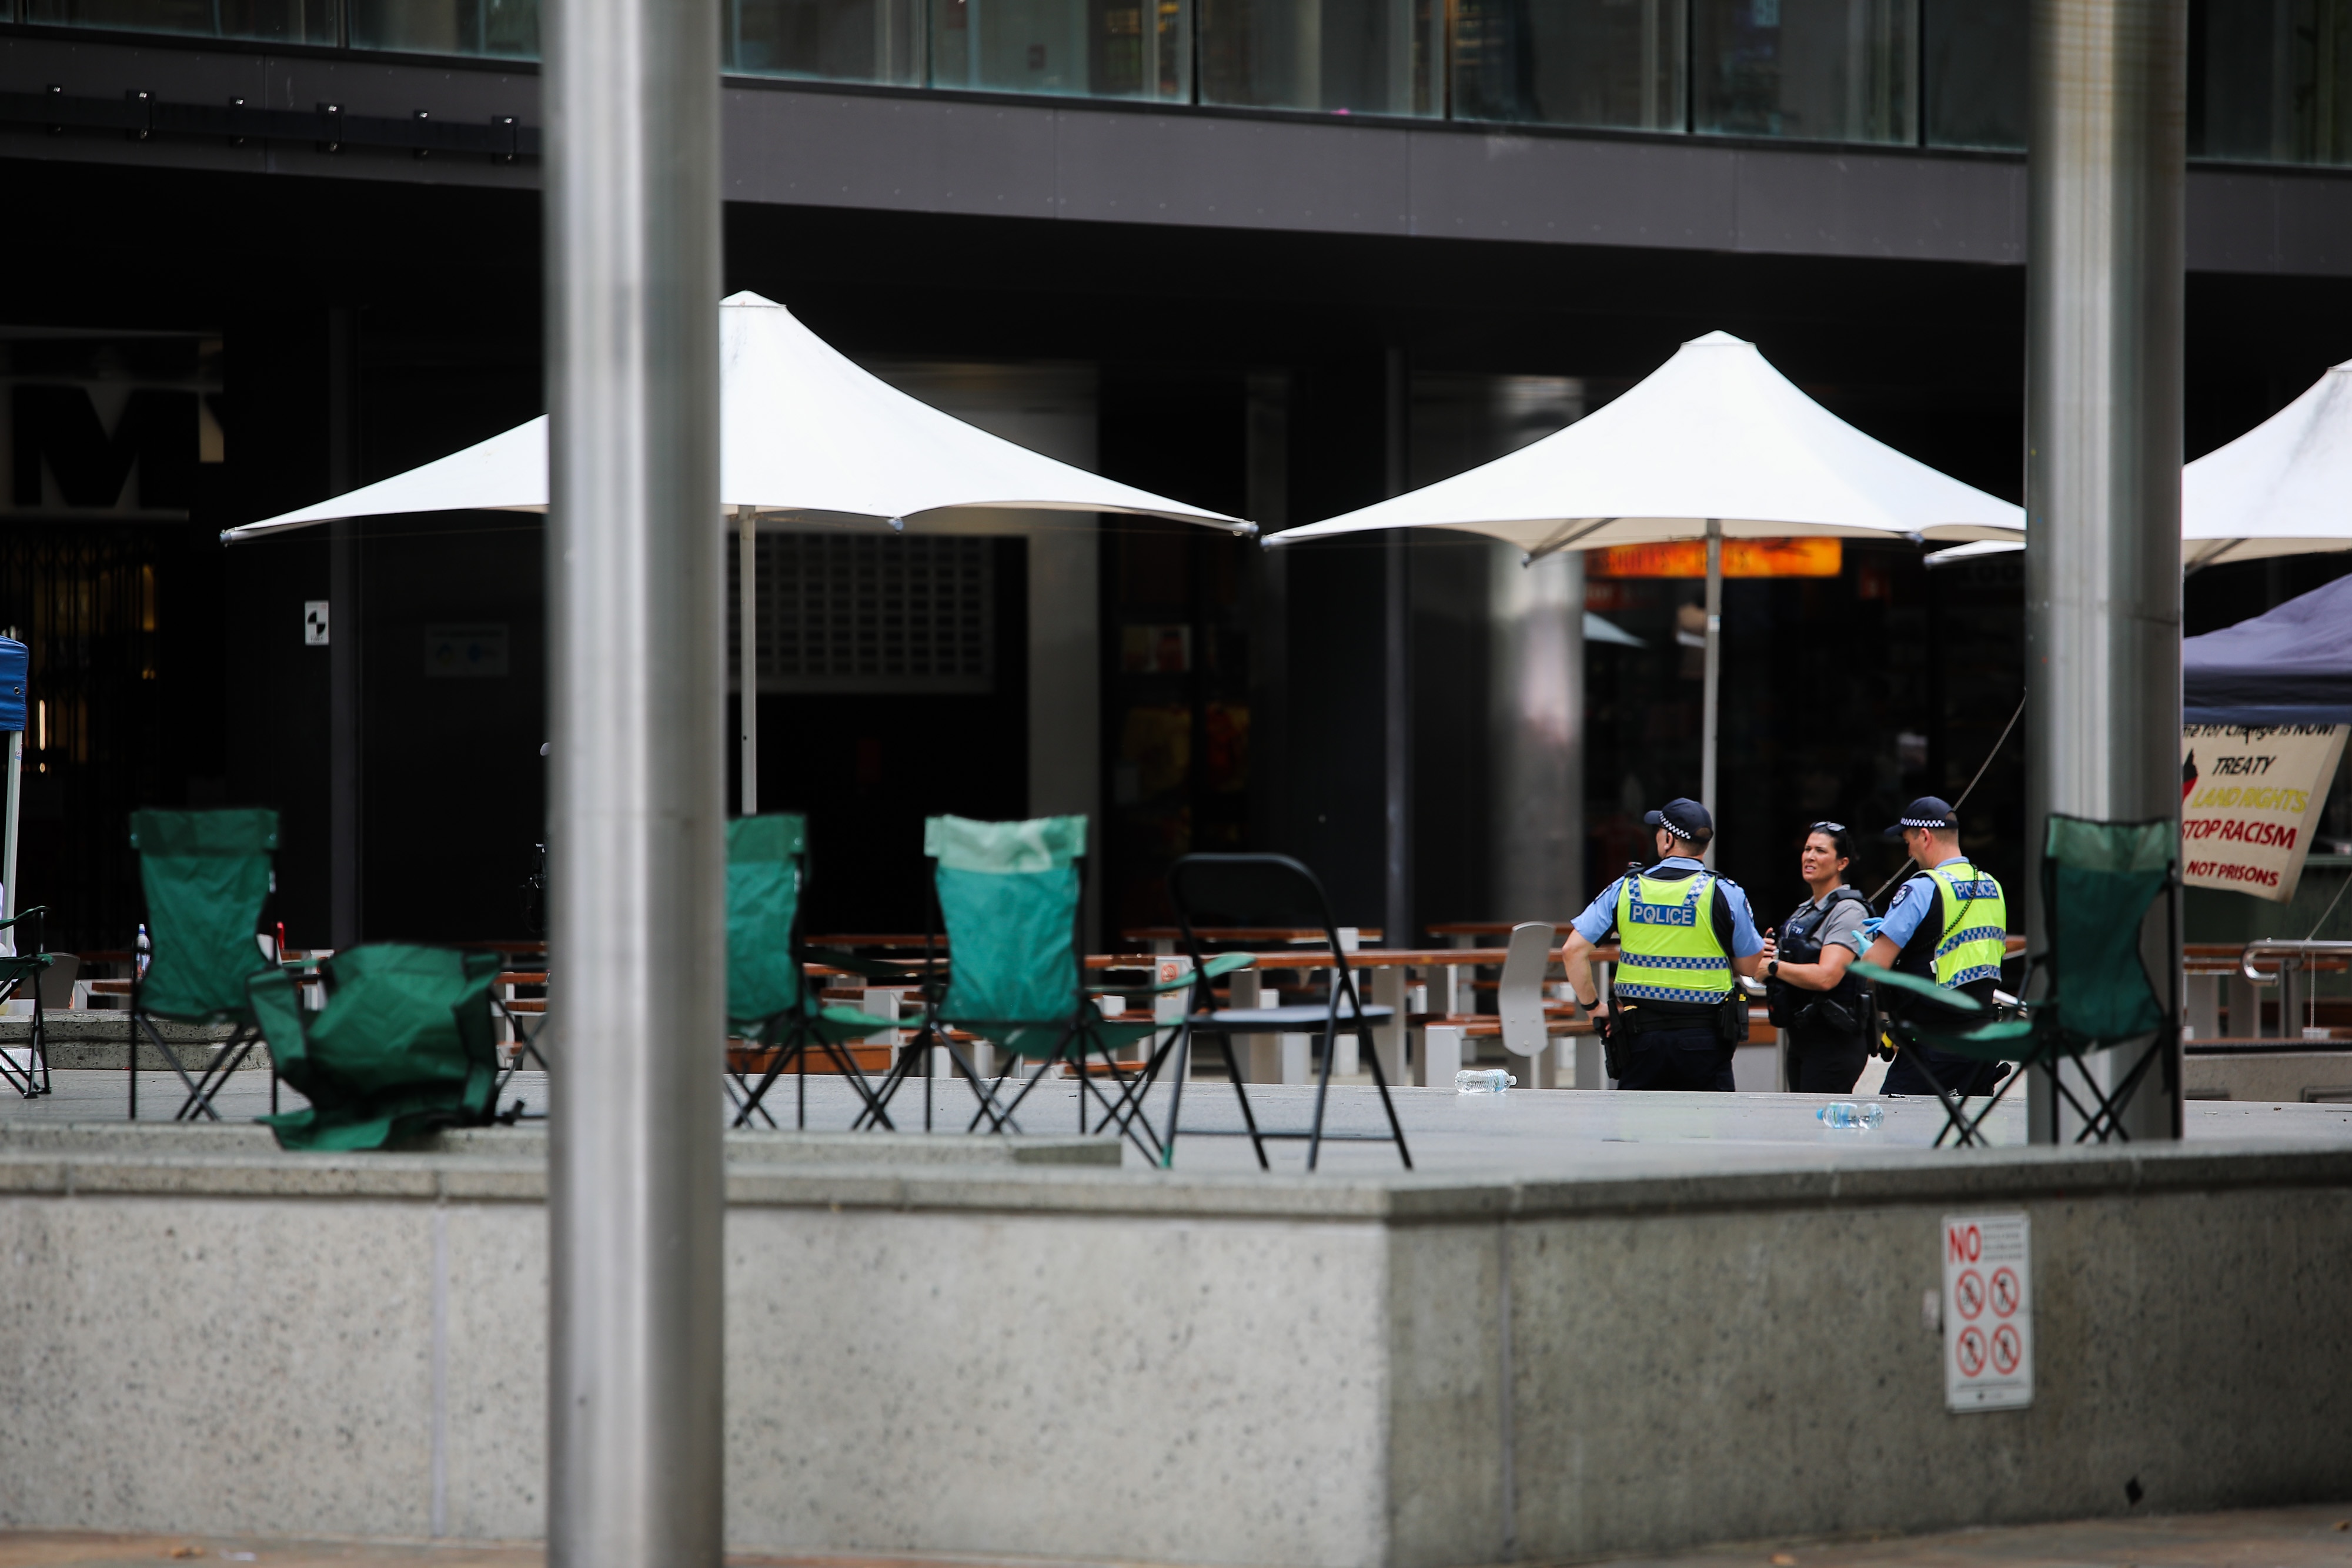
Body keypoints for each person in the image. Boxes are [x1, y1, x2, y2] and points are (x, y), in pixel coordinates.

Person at [1561, 797, 1766, 1092]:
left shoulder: (1626, 889)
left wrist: (1594, 1008)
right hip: (1706, 1041)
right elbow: (1749, 966)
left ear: (1668, 839)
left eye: (1658, 830)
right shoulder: (1725, 893)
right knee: (1709, 1120)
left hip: (1640, 1039)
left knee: (1637, 1120)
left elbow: (1572, 951)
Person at [1861, 795, 2010, 1097]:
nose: (1908, 851)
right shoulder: (1993, 887)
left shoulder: (1921, 888)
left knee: (1896, 1123)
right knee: (1968, 1127)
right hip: (1982, 1046)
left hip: (1933, 1048)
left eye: (1908, 842)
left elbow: (1872, 968)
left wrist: (1872, 948)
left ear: (1925, 836)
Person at [1758, 823, 1874, 1092]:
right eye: (1807, 849)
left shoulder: (1849, 911)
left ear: (1842, 863)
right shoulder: (1805, 911)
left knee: (1819, 1119)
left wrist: (1774, 967)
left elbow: (1826, 977)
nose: (1810, 856)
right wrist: (1767, 955)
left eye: (1820, 851)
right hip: (1801, 1038)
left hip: (1833, 1042)